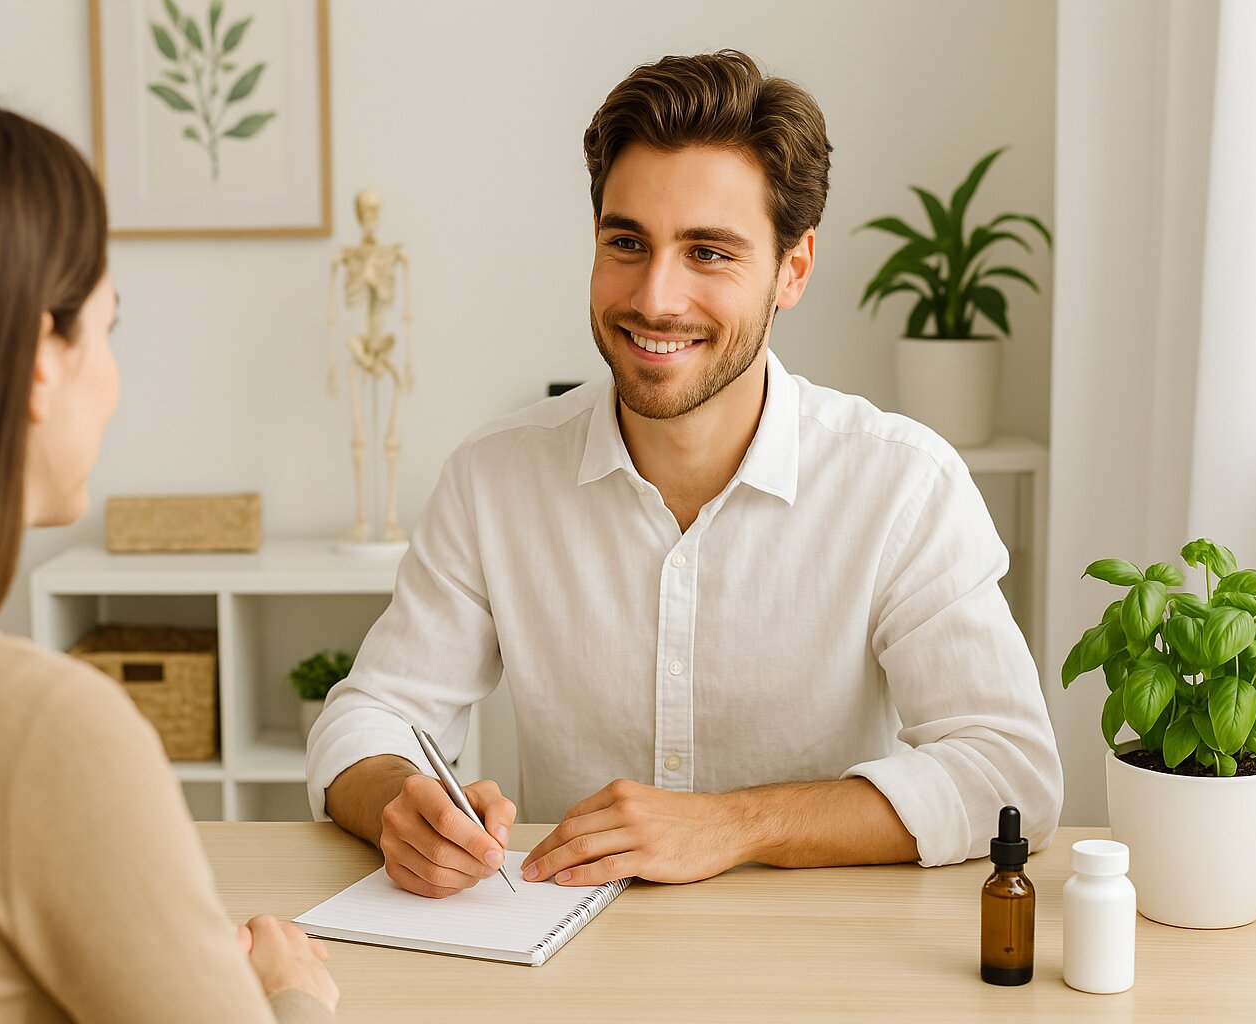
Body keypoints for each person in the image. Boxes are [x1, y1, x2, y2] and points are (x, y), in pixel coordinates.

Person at [307, 50, 1062, 898]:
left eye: (708, 252)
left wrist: (735, 824)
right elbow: (369, 716)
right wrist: (399, 805)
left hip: (818, 950)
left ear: (793, 270)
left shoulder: (902, 486)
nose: (655, 298)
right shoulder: (495, 479)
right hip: (561, 947)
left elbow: (1010, 774)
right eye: (627, 243)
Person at [0, 88, 338, 1022]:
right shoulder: (42, 735)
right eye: (107, 328)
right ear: (40, 360)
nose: (111, 375)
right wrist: (289, 992)